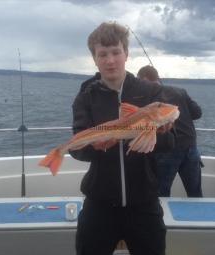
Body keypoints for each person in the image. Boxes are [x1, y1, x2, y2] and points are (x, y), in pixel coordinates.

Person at [70, 22, 174, 255]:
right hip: (99, 203)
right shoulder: (86, 97)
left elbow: (171, 143)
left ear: (126, 53)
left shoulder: (150, 93)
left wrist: (161, 130)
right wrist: (96, 146)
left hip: (144, 202)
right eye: (102, 54)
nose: (110, 60)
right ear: (94, 59)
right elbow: (77, 149)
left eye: (116, 52)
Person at [137, 65, 203, 197]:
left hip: (167, 150)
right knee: (195, 192)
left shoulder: (148, 98)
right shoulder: (180, 91)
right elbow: (197, 113)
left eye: (139, 81)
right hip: (191, 147)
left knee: (161, 192)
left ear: (144, 79)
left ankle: (163, 217)